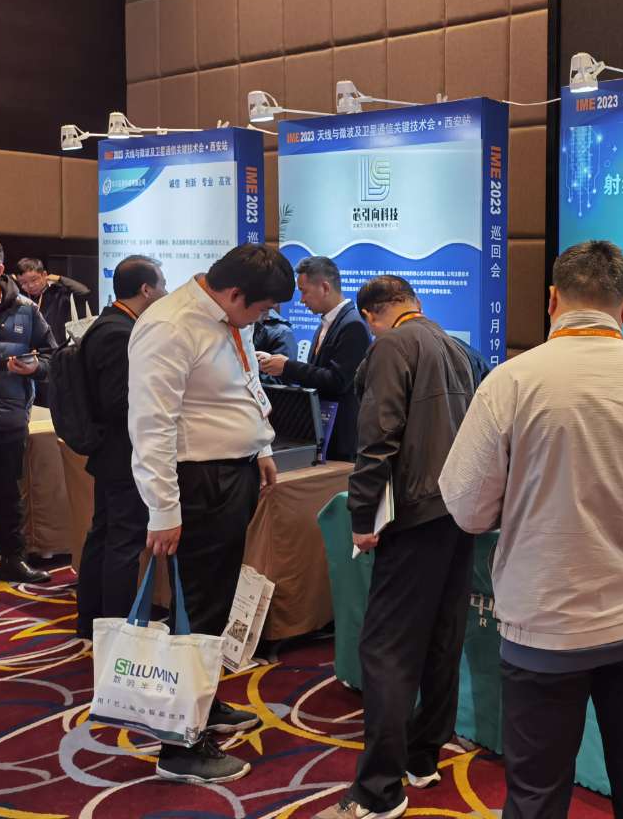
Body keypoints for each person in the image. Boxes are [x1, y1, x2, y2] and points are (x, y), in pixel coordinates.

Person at [439, 240, 623, 819]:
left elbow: (467, 510)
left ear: (552, 300)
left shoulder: (510, 384)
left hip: (546, 625)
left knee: (537, 795)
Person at [129, 243, 295, 783]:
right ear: (235, 293)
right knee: (196, 608)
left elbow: (244, 386)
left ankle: (202, 701)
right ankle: (180, 745)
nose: (263, 319)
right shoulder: (171, 326)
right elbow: (151, 425)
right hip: (197, 483)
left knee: (216, 602)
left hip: (232, 473)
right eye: (261, 309)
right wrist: (162, 509)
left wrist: (261, 445)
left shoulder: (228, 319)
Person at [314, 276, 477, 819]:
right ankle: (422, 758)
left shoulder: (391, 347)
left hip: (413, 516)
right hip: (457, 512)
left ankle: (379, 790)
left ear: (371, 315)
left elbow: (378, 437)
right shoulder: (457, 348)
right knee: (442, 639)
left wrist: (362, 515)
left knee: (385, 649)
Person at [74, 256, 168, 641]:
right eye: (162, 285)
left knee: (105, 535)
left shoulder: (110, 324)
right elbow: (118, 402)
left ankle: (92, 621)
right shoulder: (120, 332)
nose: (166, 292)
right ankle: (115, 630)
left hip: (112, 453)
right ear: (146, 290)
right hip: (123, 454)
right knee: (123, 542)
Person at [0, 237, 57, 583]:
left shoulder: (25, 310)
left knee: (5, 495)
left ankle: (12, 559)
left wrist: (35, 367)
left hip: (5, 419)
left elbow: (54, 358)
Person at [259, 256, 370, 461]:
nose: (302, 300)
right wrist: (277, 362)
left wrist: (287, 366)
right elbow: (318, 372)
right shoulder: (326, 323)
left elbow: (338, 381)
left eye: (304, 291)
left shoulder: (352, 326)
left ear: (325, 287)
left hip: (341, 438)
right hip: (324, 430)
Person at [15, 257, 93, 347]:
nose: (30, 285)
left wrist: (59, 278)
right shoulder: (21, 298)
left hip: (60, 347)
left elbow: (84, 292)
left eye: (34, 280)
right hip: (35, 349)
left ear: (44, 275)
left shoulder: (58, 292)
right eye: (23, 283)